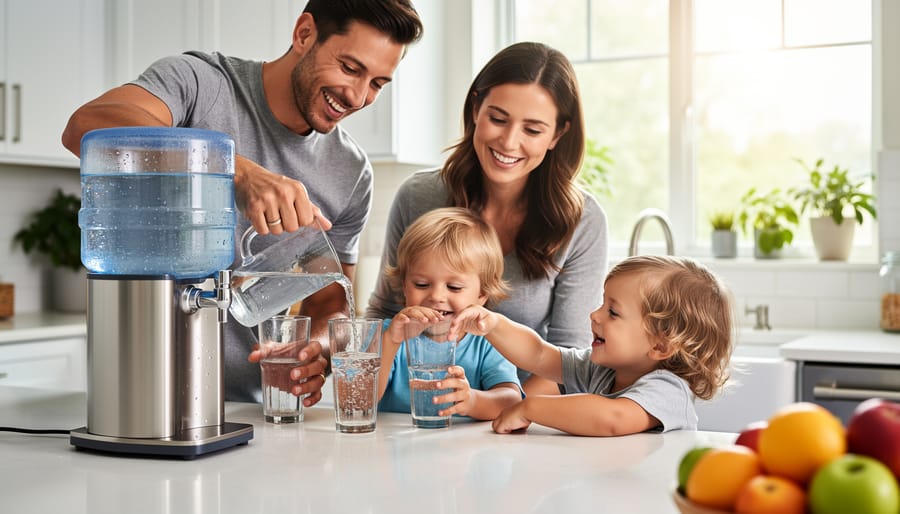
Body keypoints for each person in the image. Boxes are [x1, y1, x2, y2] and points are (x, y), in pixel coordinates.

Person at [61, 0, 424, 404]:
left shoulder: (350, 169)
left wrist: (315, 350)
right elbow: (86, 127)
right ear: (304, 34)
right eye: (350, 68)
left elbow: (330, 299)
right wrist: (237, 171)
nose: (357, 96)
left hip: (248, 410)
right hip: (137, 393)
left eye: (377, 83)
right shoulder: (201, 85)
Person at [366, 41, 608, 397]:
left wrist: (502, 415)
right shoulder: (419, 197)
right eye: (498, 118)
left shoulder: (582, 221)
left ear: (558, 134)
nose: (509, 142)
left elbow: (569, 357)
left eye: (533, 130)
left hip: (523, 417)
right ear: (476, 108)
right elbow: (385, 314)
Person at [448, 255, 734, 436]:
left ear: (660, 346)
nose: (595, 315)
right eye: (602, 303)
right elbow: (538, 355)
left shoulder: (668, 389)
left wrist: (531, 407)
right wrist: (493, 325)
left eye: (613, 312)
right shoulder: (601, 370)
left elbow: (612, 418)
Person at [377, 207, 522, 420]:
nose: (436, 296)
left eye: (454, 287)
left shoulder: (489, 341)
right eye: (421, 284)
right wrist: (391, 341)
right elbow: (360, 400)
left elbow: (511, 401)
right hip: (390, 448)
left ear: (482, 294)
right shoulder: (387, 335)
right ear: (404, 286)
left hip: (463, 451)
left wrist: (473, 401)